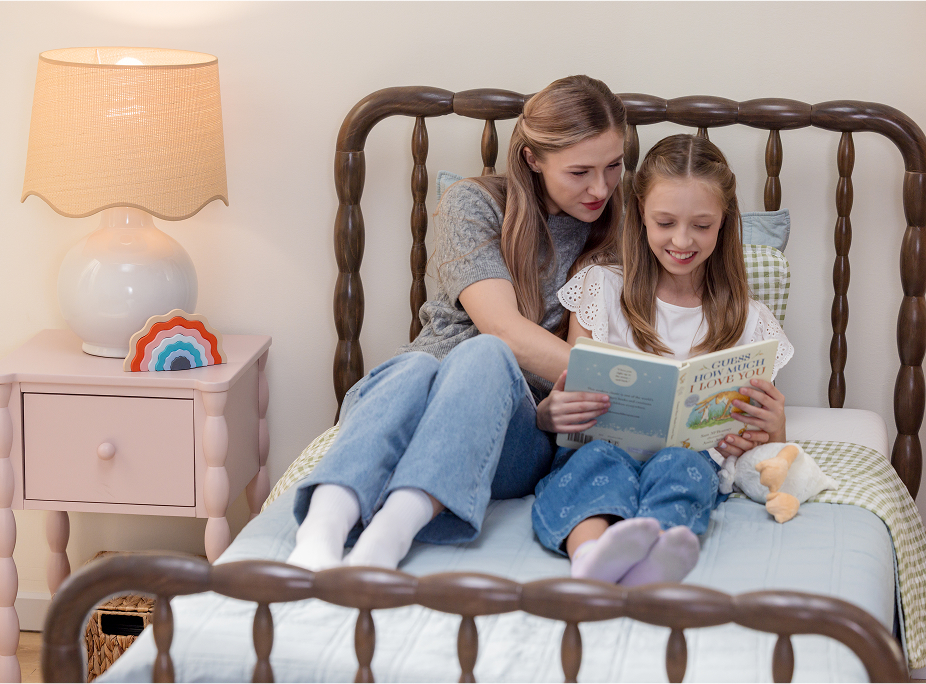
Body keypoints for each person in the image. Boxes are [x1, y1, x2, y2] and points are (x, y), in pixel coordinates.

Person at [287, 74, 626, 571]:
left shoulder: (620, 230)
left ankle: (388, 537)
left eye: (614, 165)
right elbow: (503, 327)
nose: (601, 187)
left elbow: (506, 348)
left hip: (511, 431)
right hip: (414, 397)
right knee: (413, 368)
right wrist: (619, 377)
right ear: (533, 159)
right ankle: (319, 534)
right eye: (580, 172)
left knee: (485, 357)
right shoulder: (474, 204)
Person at [531, 134, 794, 586]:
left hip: (689, 456)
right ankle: (590, 556)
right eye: (665, 221)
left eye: (702, 225)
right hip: (601, 448)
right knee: (597, 466)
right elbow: (574, 386)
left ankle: (655, 556)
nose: (682, 240)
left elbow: (757, 435)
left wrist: (771, 429)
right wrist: (554, 412)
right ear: (640, 214)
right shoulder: (601, 288)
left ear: (725, 223)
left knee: (685, 469)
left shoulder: (752, 321)